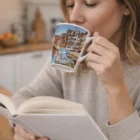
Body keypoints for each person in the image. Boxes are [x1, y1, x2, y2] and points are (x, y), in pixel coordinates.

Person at [12, 0, 140, 140]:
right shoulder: (69, 53)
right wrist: (23, 128)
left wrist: (116, 88)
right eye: (70, 5)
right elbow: (24, 97)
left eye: (90, 4)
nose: (73, 17)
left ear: (127, 6)